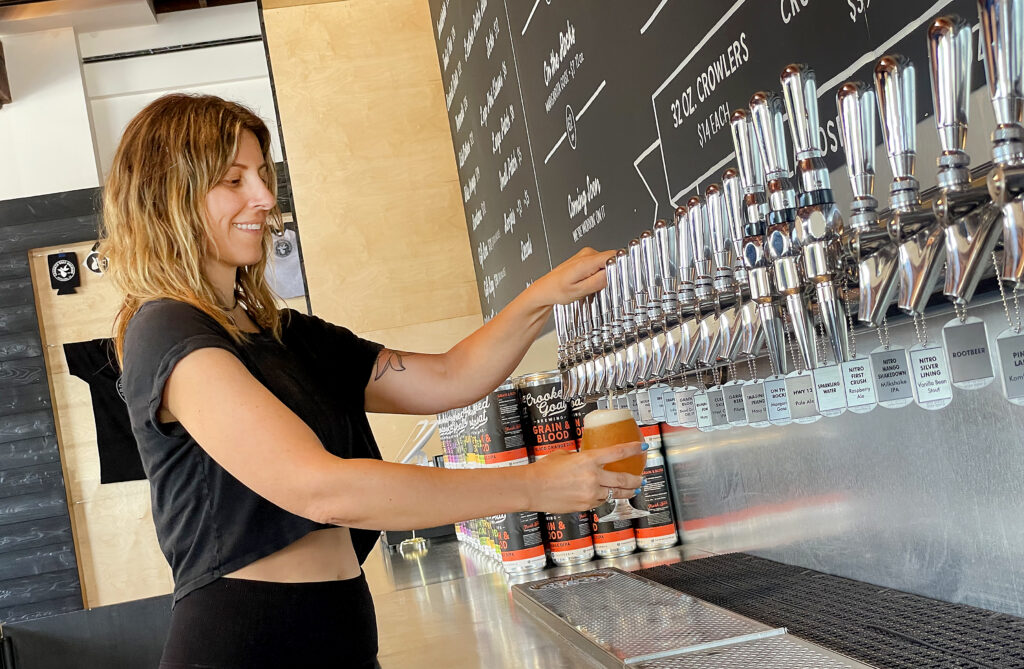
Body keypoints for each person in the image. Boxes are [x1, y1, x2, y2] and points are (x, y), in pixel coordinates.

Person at [98, 94, 643, 669]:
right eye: (233, 180)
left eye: (262, 175)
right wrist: (533, 487)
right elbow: (323, 490)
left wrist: (543, 298)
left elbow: (447, 377)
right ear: (169, 197)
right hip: (247, 642)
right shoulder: (165, 328)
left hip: (338, 628)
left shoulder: (282, 333)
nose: (263, 199)